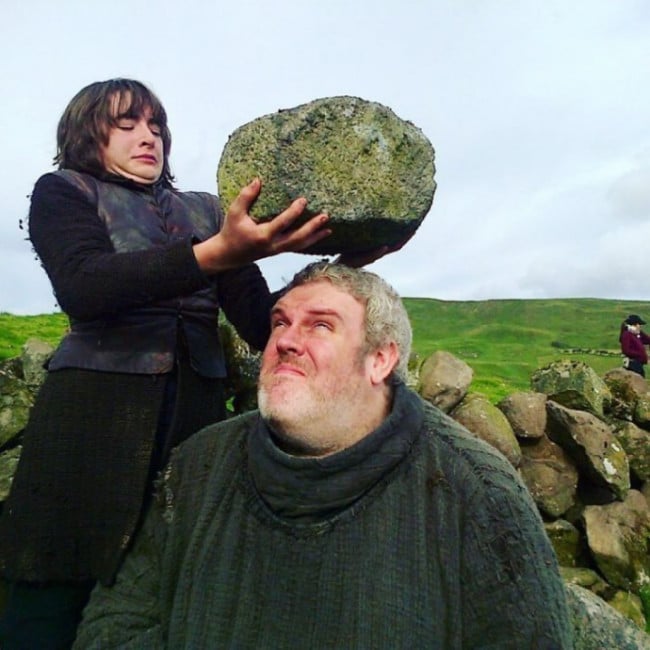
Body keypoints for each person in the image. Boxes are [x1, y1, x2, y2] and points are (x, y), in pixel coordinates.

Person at [0, 79, 392, 649]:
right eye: (127, 124)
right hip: (89, 427)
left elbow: (260, 320)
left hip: (194, 425)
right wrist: (214, 253)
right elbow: (83, 285)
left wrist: (346, 261)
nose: (148, 137)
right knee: (48, 601)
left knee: (164, 596)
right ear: (87, 134)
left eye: (156, 126)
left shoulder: (207, 211)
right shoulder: (64, 191)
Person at [73, 261, 573, 649]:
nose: (286, 341)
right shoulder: (198, 466)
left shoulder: (475, 492)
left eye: (320, 326)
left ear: (380, 359)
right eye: (280, 322)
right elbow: (116, 622)